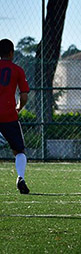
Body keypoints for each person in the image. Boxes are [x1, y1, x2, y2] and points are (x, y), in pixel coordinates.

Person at [0, 39, 31, 194]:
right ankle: (20, 177)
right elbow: (24, 96)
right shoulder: (17, 70)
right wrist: (19, 107)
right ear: (11, 53)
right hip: (9, 116)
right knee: (19, 151)